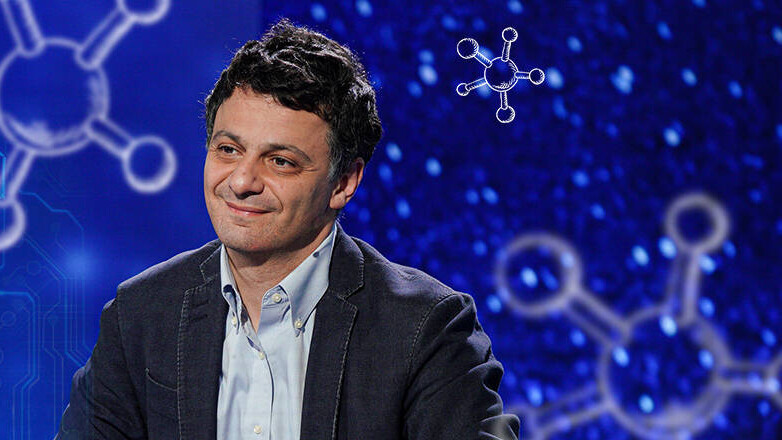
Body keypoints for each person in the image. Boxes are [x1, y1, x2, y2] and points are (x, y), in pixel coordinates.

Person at [57, 18, 520, 440]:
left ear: (344, 182)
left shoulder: (426, 328)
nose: (242, 181)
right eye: (228, 150)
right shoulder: (140, 315)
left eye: (280, 161)